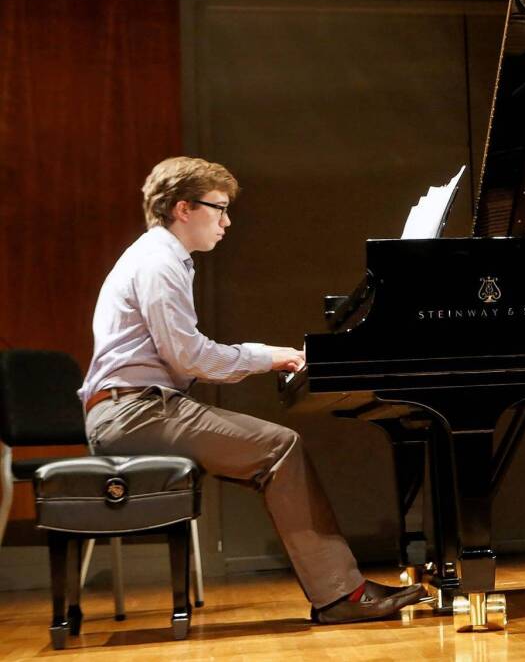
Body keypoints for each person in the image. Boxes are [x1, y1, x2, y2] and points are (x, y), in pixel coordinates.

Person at [80, 156, 425, 623]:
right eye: (217, 208)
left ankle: (342, 588)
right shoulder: (159, 262)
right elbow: (191, 358)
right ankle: (340, 595)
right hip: (133, 413)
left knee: (275, 450)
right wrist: (268, 356)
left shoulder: (163, 257)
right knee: (281, 448)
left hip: (138, 408)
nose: (226, 221)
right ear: (183, 208)